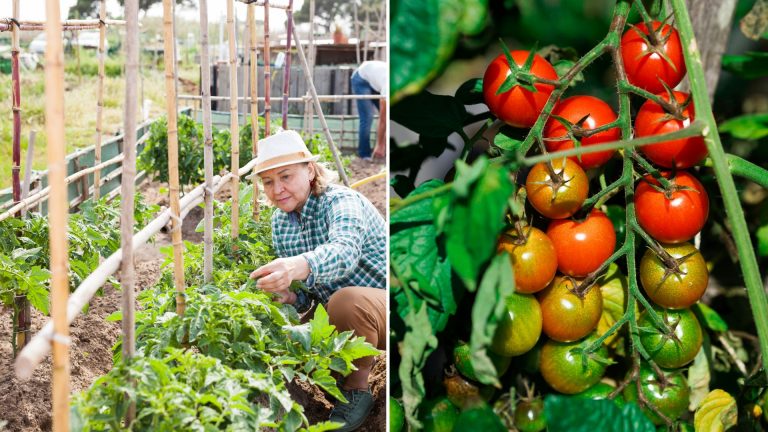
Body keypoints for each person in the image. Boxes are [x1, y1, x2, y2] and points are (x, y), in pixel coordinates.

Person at [250, 130, 386, 432]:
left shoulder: (341, 202)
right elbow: (310, 294)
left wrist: (298, 264)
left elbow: (345, 251)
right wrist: (291, 298)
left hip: (390, 306)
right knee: (289, 336)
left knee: (345, 303)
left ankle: (357, 389)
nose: (277, 189)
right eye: (268, 182)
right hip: (342, 310)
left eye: (285, 176)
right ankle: (327, 387)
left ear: (310, 170)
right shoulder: (280, 222)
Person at [350, 60, 387, 161]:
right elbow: (383, 119)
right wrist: (380, 144)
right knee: (367, 116)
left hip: (375, 79)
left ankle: (385, 150)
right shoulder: (387, 87)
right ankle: (364, 154)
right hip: (361, 78)